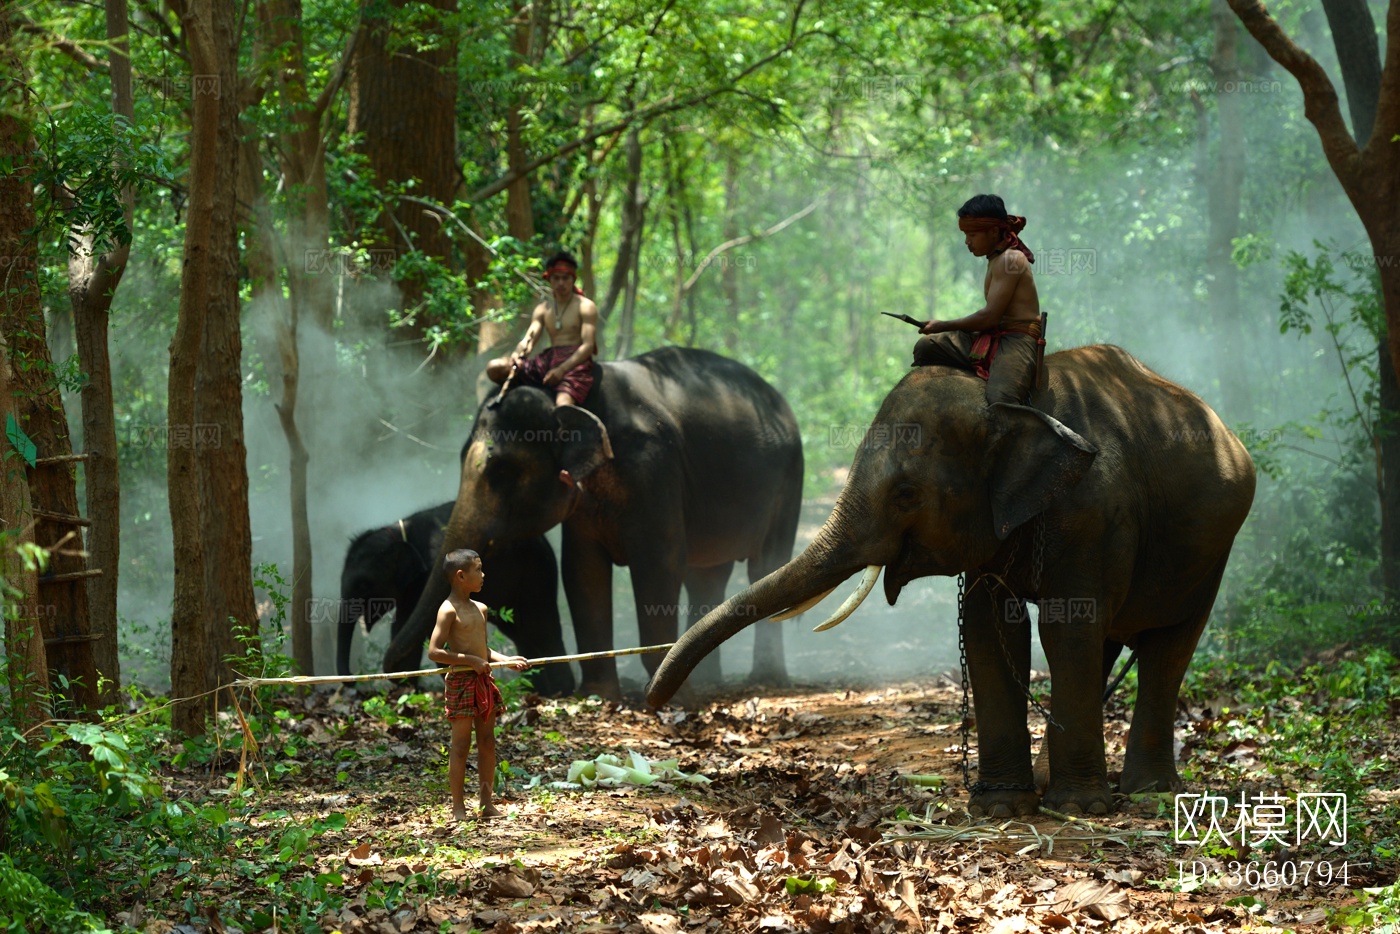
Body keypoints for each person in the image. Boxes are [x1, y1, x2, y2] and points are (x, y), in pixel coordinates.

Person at [427, 549, 529, 822]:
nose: (483, 575)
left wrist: (505, 660)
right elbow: (435, 651)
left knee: (487, 741)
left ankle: (486, 803)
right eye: (478, 569)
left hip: (483, 680)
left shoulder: (480, 609)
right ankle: (458, 808)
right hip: (461, 681)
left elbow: (484, 650)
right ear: (461, 576)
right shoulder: (447, 610)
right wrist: (470, 661)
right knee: (461, 745)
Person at [912, 194, 1043, 405]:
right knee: (926, 346)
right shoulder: (995, 258)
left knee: (1001, 399)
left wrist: (941, 325)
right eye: (966, 235)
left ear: (994, 231)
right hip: (993, 333)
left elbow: (989, 317)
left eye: (972, 235)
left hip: (1017, 339)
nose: (967, 241)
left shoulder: (1011, 259)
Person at [486, 251, 600, 406]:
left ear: (573, 279)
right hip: (548, 360)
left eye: (565, 278)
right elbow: (529, 339)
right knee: (494, 367)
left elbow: (588, 346)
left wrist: (561, 370)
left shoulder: (586, 306)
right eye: (556, 278)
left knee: (563, 404)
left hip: (575, 363)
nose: (561, 283)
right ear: (549, 279)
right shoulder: (543, 309)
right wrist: (517, 355)